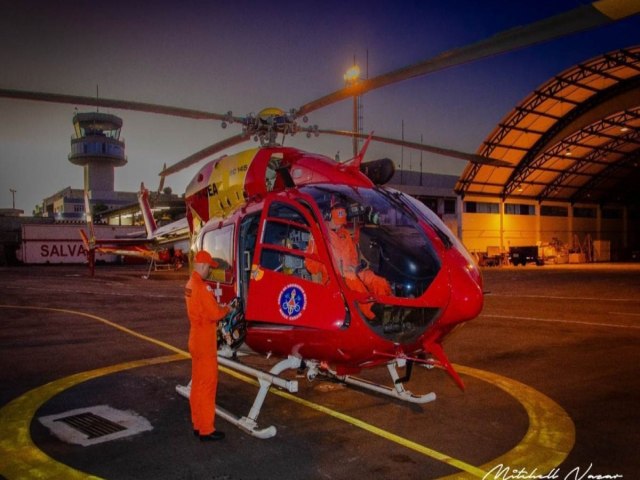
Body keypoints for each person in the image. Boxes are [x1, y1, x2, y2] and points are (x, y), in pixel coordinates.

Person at [307, 203, 392, 319]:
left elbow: (353, 257)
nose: (339, 227)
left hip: (351, 271)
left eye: (341, 223)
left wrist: (355, 266)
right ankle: (374, 313)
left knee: (375, 279)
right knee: (353, 281)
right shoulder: (318, 233)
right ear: (328, 217)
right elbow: (310, 265)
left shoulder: (345, 234)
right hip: (332, 277)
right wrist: (329, 267)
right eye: (337, 223)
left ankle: (388, 307)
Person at [184, 250, 230, 442]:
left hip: (195, 338)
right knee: (208, 386)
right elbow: (215, 314)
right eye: (209, 268)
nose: (209, 272)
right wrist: (228, 308)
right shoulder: (202, 288)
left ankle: (197, 423)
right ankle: (206, 429)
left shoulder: (190, 284)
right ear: (201, 266)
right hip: (205, 342)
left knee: (197, 385)